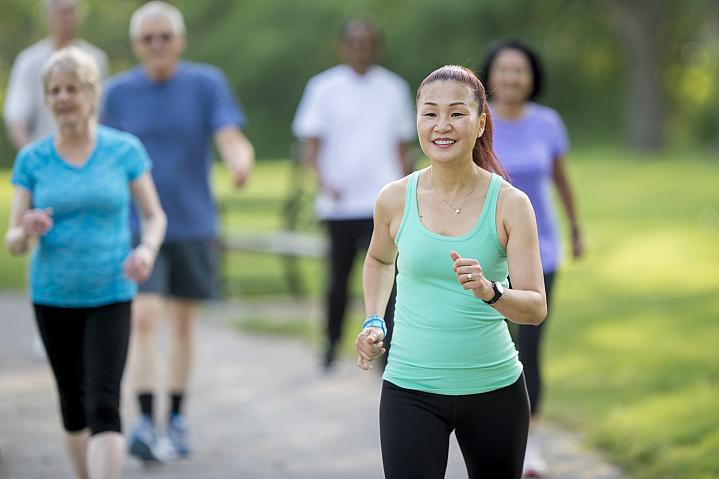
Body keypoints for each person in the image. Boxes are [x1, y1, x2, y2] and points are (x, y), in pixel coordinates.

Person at [355, 65, 547, 478]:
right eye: (430, 113)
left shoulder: (511, 204)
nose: (442, 125)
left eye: (457, 113)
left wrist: (490, 291)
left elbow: (534, 308)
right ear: (417, 121)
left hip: (494, 389)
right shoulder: (394, 199)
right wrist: (373, 319)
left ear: (480, 123)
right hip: (410, 388)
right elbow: (378, 259)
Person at [100, 1, 255, 462]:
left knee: (184, 323)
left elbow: (230, 135)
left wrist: (239, 159)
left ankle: (179, 416)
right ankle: (146, 420)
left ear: (180, 41)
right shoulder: (118, 94)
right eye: (148, 38)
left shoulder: (206, 83)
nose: (157, 45)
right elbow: (102, 154)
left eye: (165, 36)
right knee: (145, 316)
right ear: (136, 46)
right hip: (138, 224)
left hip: (192, 221)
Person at [4, 47, 166, 479]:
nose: (62, 98)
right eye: (54, 90)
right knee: (73, 407)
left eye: (72, 89)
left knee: (103, 402)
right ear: (46, 98)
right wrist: (26, 229)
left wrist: (146, 250)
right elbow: (12, 241)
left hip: (111, 290)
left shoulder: (124, 150)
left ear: (91, 94)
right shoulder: (32, 159)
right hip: (53, 295)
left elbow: (154, 215)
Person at [480, 40, 584, 478]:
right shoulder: (478, 120)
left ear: (531, 77)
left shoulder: (548, 123)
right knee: (489, 346)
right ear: (489, 76)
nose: (511, 78)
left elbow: (560, 178)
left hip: (542, 251)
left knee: (530, 346)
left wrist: (576, 228)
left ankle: (529, 441)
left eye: (519, 70)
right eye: (503, 70)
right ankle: (486, 434)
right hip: (486, 252)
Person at [292, 18, 415, 371]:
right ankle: (330, 344)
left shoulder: (393, 88)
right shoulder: (324, 87)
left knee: (387, 276)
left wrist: (407, 189)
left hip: (384, 202)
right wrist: (324, 182)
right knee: (339, 278)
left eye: (368, 43)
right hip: (340, 203)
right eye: (355, 43)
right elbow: (311, 146)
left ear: (376, 47)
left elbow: (402, 147)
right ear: (343, 46)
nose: (361, 49)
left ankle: (386, 351)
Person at [4, 0, 108, 149]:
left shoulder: (95, 58)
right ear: (48, 16)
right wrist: (31, 154)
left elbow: (98, 112)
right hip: (44, 150)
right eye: (60, 12)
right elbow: (16, 115)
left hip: (86, 153)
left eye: (70, 11)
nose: (65, 18)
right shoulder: (29, 61)